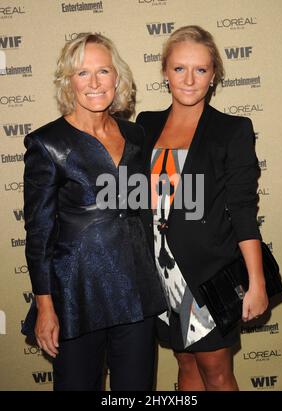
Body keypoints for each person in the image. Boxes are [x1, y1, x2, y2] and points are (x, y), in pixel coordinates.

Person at [21, 32, 166, 391]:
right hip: (76, 293)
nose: (94, 83)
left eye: (103, 71)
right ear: (68, 81)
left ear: (117, 77)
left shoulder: (137, 135)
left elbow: (147, 210)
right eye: (82, 73)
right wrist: (45, 306)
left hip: (135, 289)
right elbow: (39, 235)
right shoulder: (47, 143)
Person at [136, 25, 268, 391]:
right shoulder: (145, 125)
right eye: (180, 69)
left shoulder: (232, 130)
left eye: (201, 70)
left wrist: (255, 282)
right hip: (160, 276)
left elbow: (243, 210)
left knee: (216, 371)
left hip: (208, 274)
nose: (190, 79)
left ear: (214, 76)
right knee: (185, 364)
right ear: (165, 72)